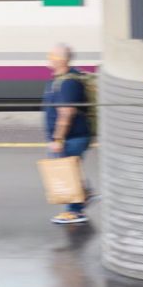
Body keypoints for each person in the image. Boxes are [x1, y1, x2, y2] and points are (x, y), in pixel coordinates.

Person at [44, 43, 93, 225]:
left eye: (51, 55)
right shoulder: (60, 79)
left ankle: (75, 211)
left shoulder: (68, 83)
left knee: (67, 172)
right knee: (70, 169)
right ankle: (86, 194)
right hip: (71, 137)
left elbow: (67, 112)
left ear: (60, 59)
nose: (48, 59)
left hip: (72, 137)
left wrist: (58, 138)